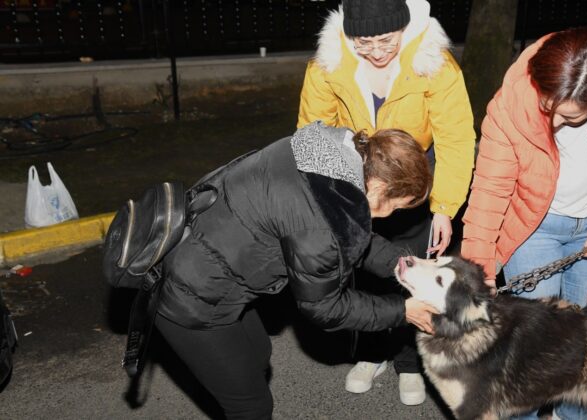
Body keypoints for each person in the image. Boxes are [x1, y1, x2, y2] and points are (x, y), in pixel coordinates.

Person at [155, 122, 438, 419]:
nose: (391, 215)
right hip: (191, 297)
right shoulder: (321, 223)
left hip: (204, 260)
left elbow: (353, 234)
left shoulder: (326, 157)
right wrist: (403, 310)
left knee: (256, 357)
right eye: (396, 206)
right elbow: (325, 306)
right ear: (379, 186)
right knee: (251, 406)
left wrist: (405, 265)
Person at [461, 27, 587, 420]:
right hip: (533, 228)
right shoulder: (514, 99)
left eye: (567, 116)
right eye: (546, 104)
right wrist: (477, 266)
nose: (551, 119)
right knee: (533, 348)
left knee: (585, 345)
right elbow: (490, 185)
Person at [297, 0, 476, 405]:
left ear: (404, 28)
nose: (376, 51)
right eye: (364, 41)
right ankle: (370, 351)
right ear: (348, 34)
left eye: (386, 39)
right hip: (355, 172)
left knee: (411, 264)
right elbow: (312, 132)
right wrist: (327, 198)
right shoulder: (328, 64)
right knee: (359, 261)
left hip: (414, 173)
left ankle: (409, 361)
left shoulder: (435, 65)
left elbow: (456, 139)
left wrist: (445, 207)